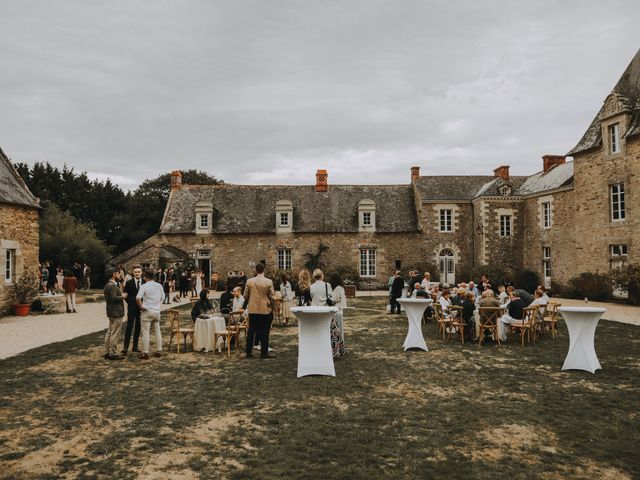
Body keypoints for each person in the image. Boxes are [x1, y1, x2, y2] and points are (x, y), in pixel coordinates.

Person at [243, 263, 276, 359]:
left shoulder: (249, 281)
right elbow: (272, 296)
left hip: (253, 309)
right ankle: (264, 352)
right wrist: (273, 306)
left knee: (251, 331)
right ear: (264, 270)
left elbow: (245, 296)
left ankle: (248, 352)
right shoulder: (268, 282)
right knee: (265, 331)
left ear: (256, 270)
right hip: (265, 309)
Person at [136, 270, 165, 359]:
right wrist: (157, 305)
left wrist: (141, 307)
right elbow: (163, 297)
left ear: (145, 277)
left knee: (145, 333)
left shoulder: (144, 286)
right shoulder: (159, 285)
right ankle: (159, 350)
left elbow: (138, 298)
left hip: (147, 311)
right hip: (156, 312)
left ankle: (145, 352)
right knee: (157, 332)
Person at [103, 267, 125, 360]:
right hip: (116, 312)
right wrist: (122, 296)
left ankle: (107, 351)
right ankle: (113, 352)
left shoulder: (108, 285)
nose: (119, 275)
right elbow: (113, 298)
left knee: (109, 332)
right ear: (114, 274)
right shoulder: (112, 285)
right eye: (118, 273)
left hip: (111, 312)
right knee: (115, 333)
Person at [122, 266, 143, 355]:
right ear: (133, 273)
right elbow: (125, 296)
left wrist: (143, 305)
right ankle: (125, 347)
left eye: (138, 272)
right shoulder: (129, 283)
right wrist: (131, 302)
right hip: (131, 307)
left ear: (141, 273)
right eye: (135, 272)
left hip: (141, 308)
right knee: (129, 326)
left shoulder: (145, 283)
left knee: (138, 327)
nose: (137, 273)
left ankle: (135, 346)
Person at [329, 273, 347, 357]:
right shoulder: (341, 288)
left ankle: (338, 348)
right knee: (340, 331)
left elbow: (334, 299)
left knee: (337, 332)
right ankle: (341, 347)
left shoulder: (337, 289)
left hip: (336, 311)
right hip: (340, 311)